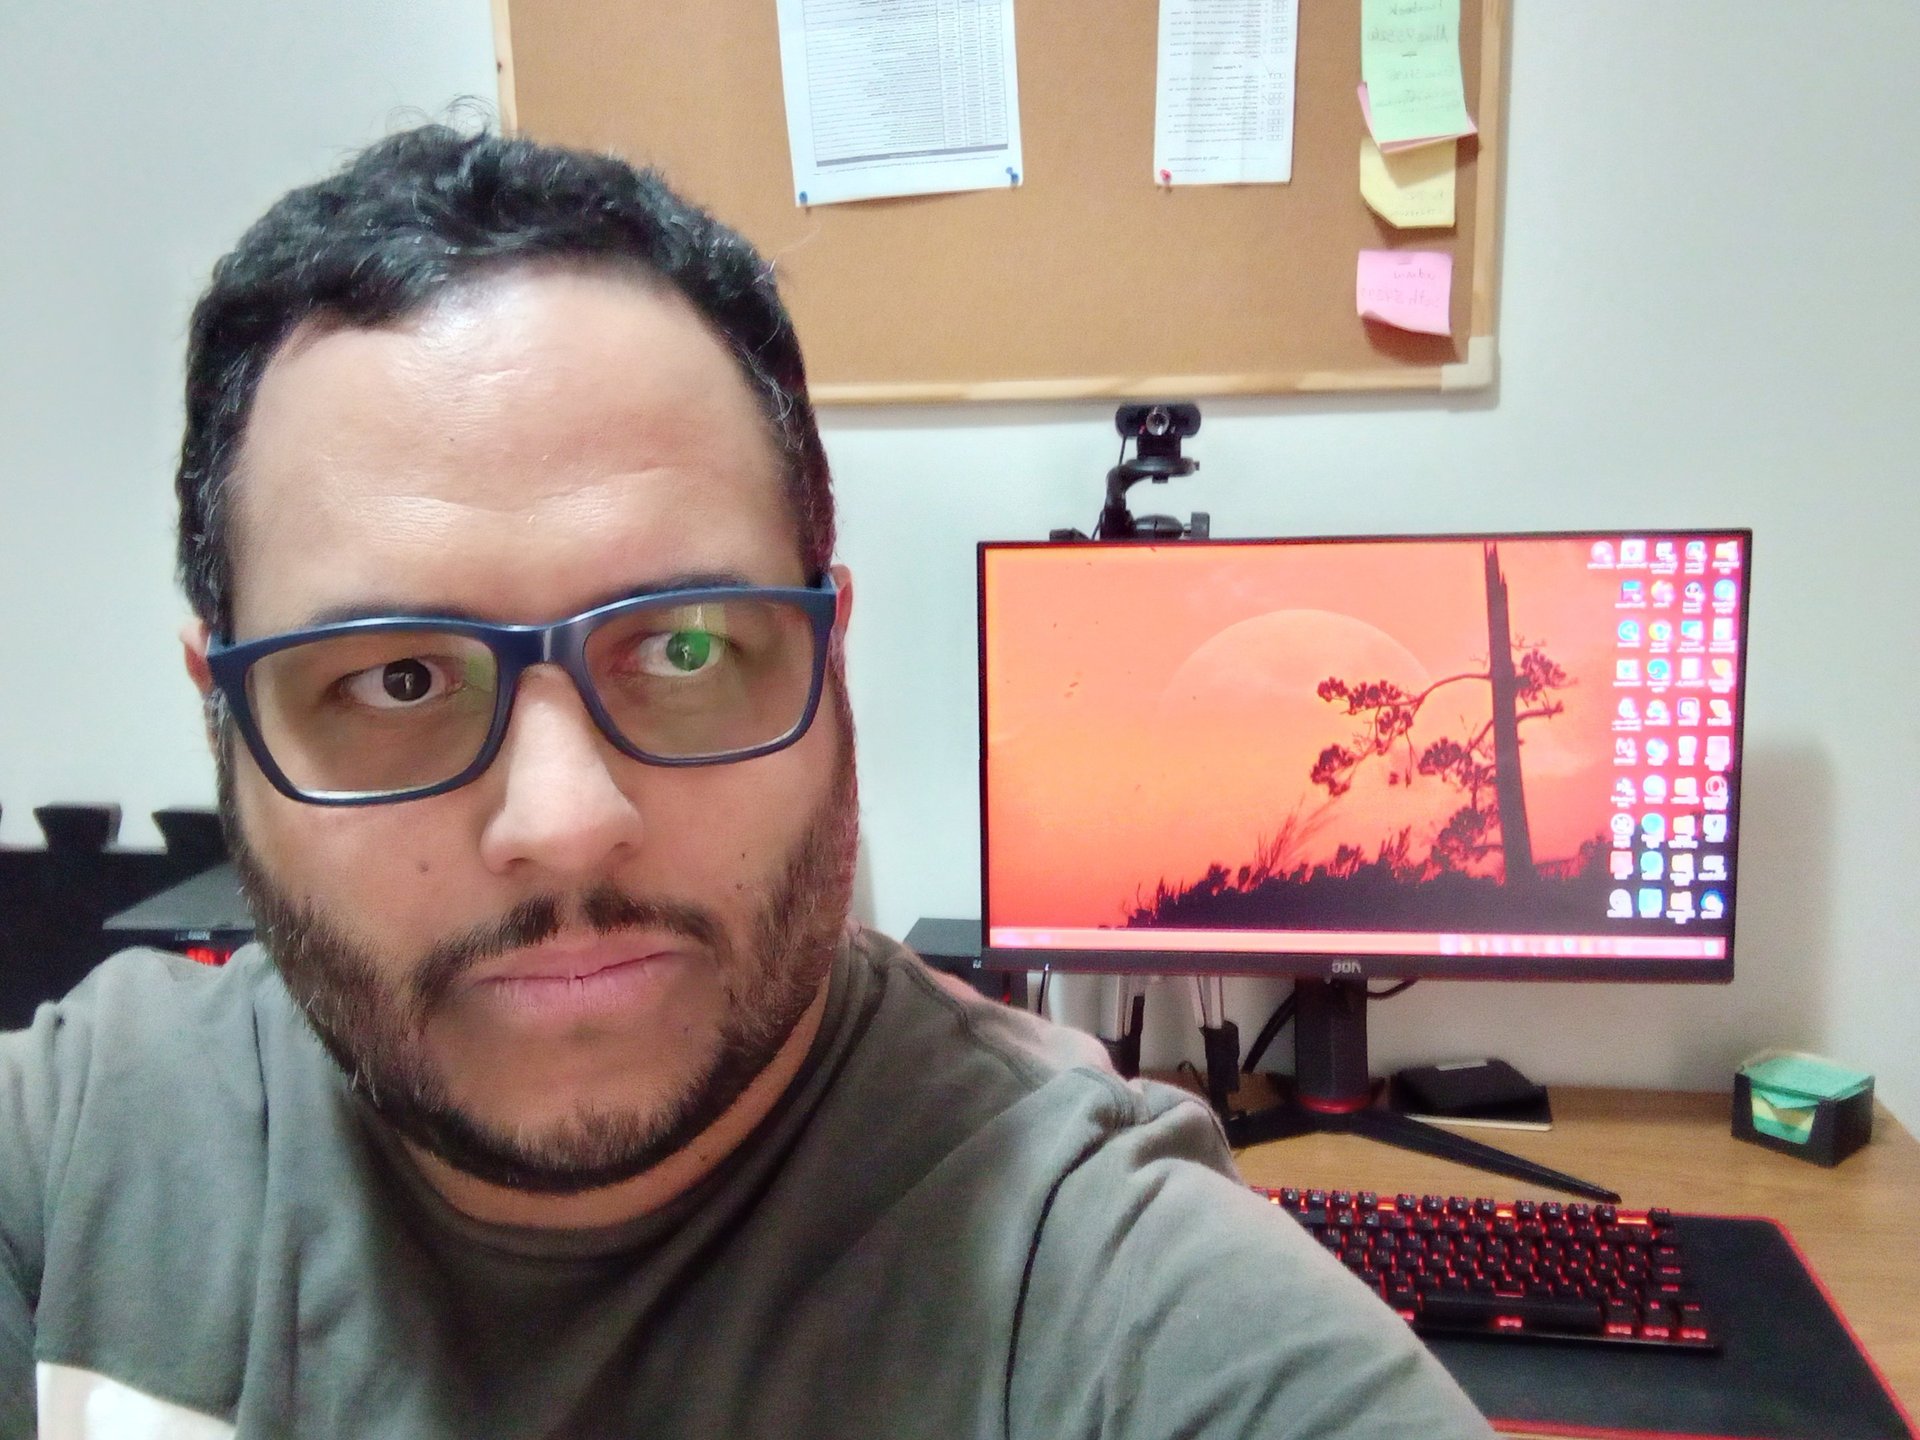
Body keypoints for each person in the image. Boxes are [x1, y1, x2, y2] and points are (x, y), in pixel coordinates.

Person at [0, 126, 1493, 1438]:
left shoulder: (1098, 1286)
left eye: (690, 645)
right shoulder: (72, 1167)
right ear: (224, 715)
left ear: (832, 659)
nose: (565, 821)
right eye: (397, 680)